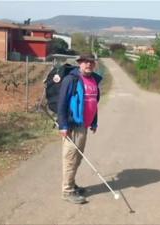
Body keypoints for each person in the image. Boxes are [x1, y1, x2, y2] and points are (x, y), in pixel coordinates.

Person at [57, 52, 102, 204]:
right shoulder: (72, 79)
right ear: (79, 63)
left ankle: (71, 183)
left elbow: (93, 103)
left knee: (78, 158)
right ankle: (67, 191)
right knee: (70, 158)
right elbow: (62, 103)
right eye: (85, 61)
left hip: (84, 126)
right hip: (72, 126)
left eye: (91, 62)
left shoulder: (93, 80)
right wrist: (63, 125)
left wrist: (94, 122)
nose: (88, 64)